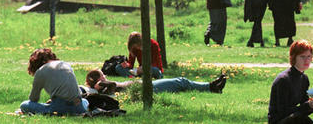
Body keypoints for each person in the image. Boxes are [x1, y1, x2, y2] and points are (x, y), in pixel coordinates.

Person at [268, 40, 313, 124]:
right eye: (302, 57)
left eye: (309, 56)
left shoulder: (304, 78)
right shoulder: (283, 79)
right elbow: (283, 112)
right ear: (294, 57)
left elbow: (304, 110)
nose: (306, 60)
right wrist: (308, 105)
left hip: (294, 118)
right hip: (279, 120)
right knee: (299, 118)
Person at [19, 48, 89, 115]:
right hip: (79, 107)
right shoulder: (65, 64)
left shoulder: (40, 71)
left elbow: (33, 98)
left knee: (24, 105)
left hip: (60, 108)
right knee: (85, 101)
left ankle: (52, 109)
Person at [84, 69, 227, 94]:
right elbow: (107, 87)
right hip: (147, 88)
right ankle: (211, 87)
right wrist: (99, 85)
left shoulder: (106, 85)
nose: (105, 77)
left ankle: (211, 86)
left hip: (145, 86)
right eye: (102, 76)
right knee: (180, 81)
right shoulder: (103, 87)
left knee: (180, 83)